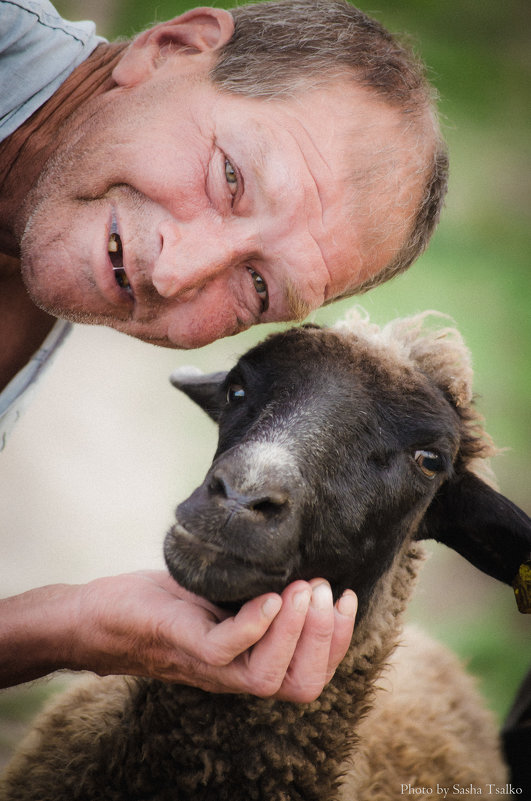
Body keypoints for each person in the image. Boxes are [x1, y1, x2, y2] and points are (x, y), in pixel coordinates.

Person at [0, 0, 447, 695]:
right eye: (230, 178)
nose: (175, 271)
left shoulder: (48, 240)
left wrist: (71, 627)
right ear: (172, 48)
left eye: (259, 286)